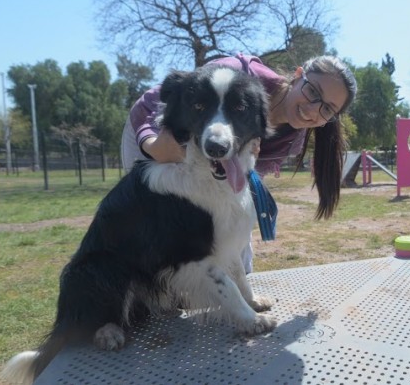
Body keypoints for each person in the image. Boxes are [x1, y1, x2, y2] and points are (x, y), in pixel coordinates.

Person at [120, 53, 357, 272]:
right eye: (313, 91)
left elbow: (240, 191)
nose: (313, 109)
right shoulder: (236, 73)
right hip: (154, 134)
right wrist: (151, 144)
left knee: (233, 232)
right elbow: (150, 103)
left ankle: (232, 292)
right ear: (297, 76)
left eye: (327, 109)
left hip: (212, 160)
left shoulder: (293, 139)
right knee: (167, 234)